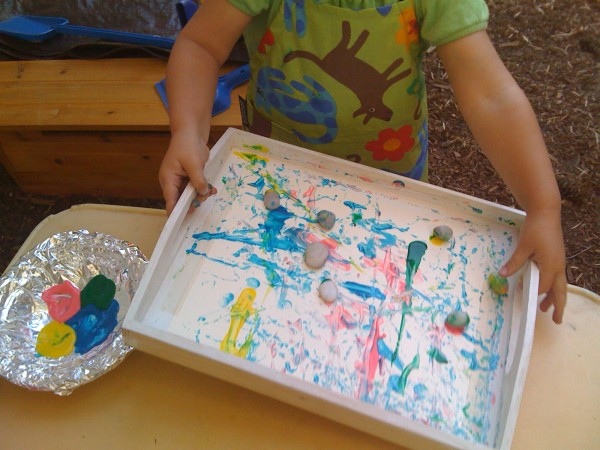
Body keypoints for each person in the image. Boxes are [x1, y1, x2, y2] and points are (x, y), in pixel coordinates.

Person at [158, 0, 567, 323]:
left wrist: (542, 205)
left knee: (372, 303)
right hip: (277, 184)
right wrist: (188, 132)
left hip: (388, 187)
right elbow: (201, 46)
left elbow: (492, 97)